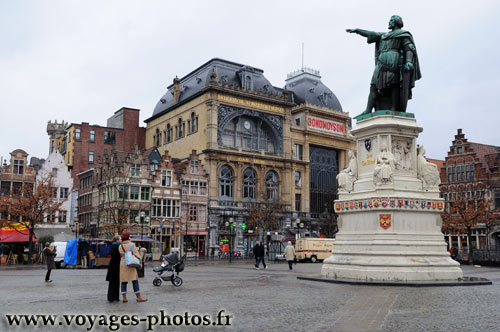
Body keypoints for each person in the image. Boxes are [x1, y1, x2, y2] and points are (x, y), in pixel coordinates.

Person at [346, 15, 421, 114]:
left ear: (396, 22)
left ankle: (394, 108)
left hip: (394, 61)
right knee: (373, 85)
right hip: (381, 64)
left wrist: (408, 61)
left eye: (391, 20)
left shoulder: (403, 34)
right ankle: (368, 109)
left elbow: (409, 48)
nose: (389, 22)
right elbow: (371, 34)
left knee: (394, 85)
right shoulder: (383, 35)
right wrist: (357, 30)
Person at [118, 232, 147, 303]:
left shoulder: (120, 246)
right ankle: (138, 297)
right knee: (135, 280)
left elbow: (121, 255)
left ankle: (124, 298)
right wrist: (140, 260)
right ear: (128, 237)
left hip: (123, 264)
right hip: (131, 264)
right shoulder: (132, 245)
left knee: (124, 281)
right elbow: (137, 255)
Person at [106, 235, 121, 302]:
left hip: (112, 265)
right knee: (115, 282)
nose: (121, 240)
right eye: (120, 239)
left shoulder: (113, 246)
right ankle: (114, 297)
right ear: (117, 240)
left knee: (112, 282)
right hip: (116, 265)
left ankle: (111, 297)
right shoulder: (117, 247)